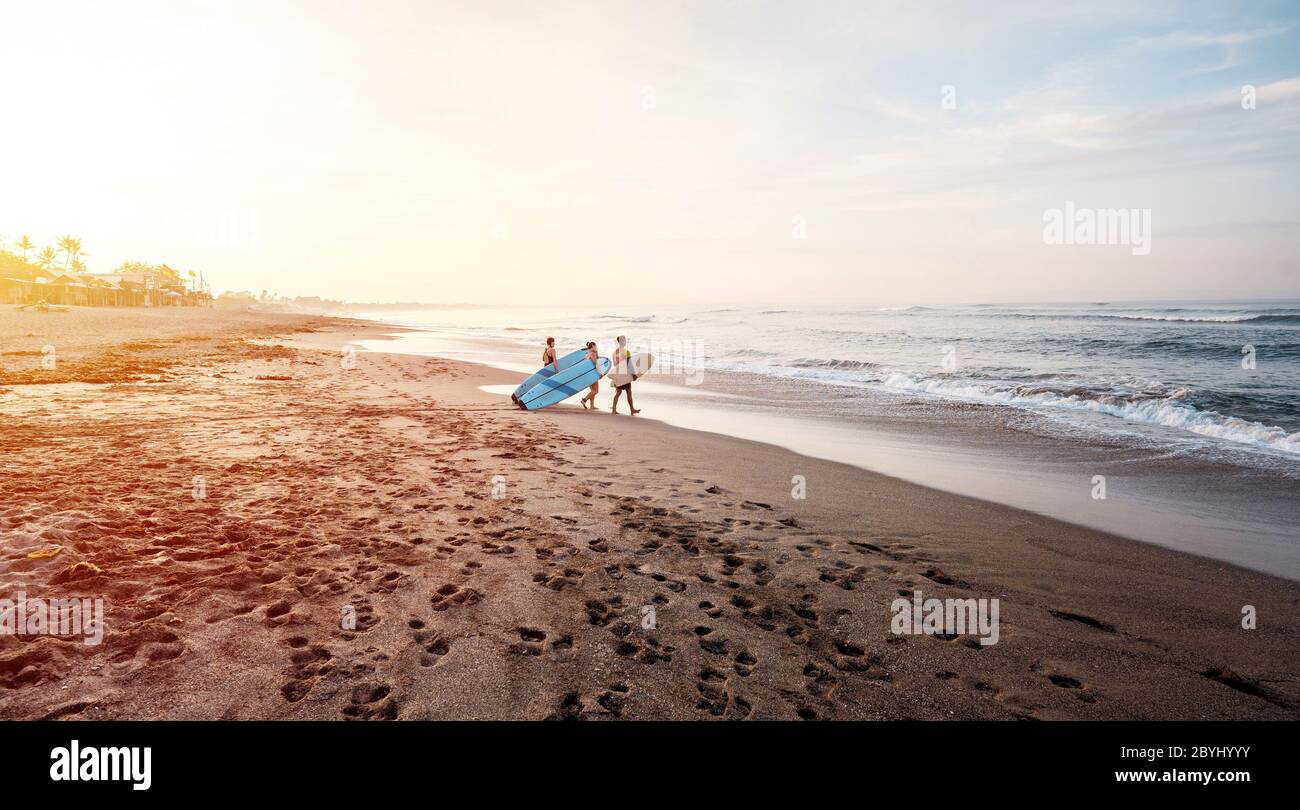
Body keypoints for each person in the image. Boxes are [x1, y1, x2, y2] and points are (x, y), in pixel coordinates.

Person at [610, 335, 640, 415]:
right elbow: (629, 364)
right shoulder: (626, 352)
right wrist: (634, 375)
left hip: (618, 374)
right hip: (625, 375)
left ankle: (613, 409)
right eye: (625, 340)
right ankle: (632, 409)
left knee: (618, 392)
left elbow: (615, 365)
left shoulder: (614, 353)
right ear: (623, 341)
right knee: (629, 392)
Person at [579, 341, 600, 410]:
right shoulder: (592, 354)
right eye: (595, 346)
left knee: (592, 390)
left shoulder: (587, 354)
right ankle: (584, 400)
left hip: (588, 374)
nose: (596, 347)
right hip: (593, 373)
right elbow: (595, 363)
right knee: (596, 391)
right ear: (593, 346)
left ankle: (592, 405)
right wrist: (600, 373)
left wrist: (596, 353)